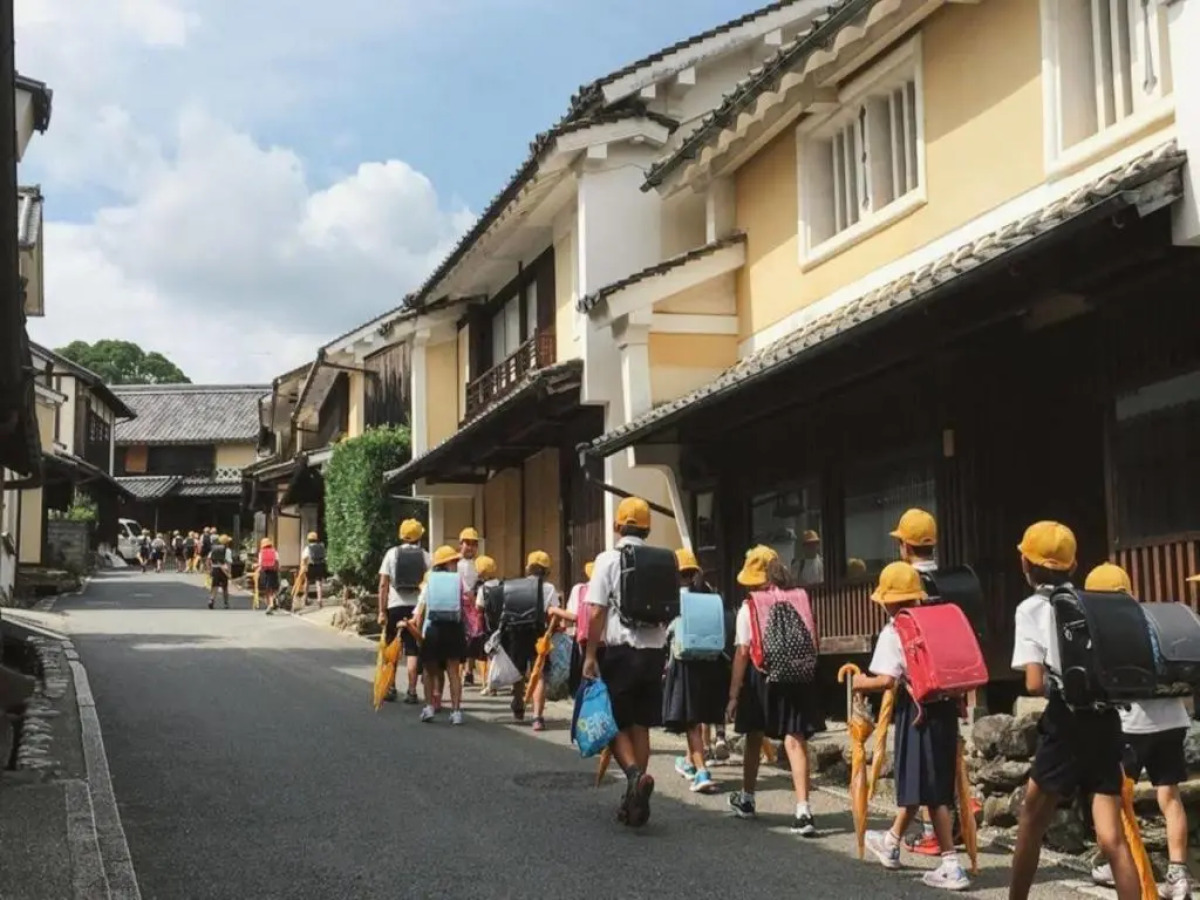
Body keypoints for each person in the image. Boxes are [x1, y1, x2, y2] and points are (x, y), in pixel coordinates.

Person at [1008, 521, 1141, 900]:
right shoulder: (1093, 603)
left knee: (1031, 822)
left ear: (1026, 565)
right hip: (1106, 720)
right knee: (1112, 837)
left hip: (1066, 723)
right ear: (1074, 565)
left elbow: (1034, 683)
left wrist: (1062, 686)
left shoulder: (1031, 609)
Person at [857, 561, 970, 891]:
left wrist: (860, 683)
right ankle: (891, 842)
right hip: (945, 709)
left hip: (916, 712)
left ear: (890, 600)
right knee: (920, 781)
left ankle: (951, 864)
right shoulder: (938, 620)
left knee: (930, 790)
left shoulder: (896, 629)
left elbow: (886, 679)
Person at [1086, 563, 1193, 899]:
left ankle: (1115, 861)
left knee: (1114, 797)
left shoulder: (1108, 624)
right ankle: (1179, 877)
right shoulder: (1153, 617)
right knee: (1170, 796)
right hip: (1174, 717)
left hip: (1134, 724)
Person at [726, 545, 824, 837]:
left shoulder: (750, 606)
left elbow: (743, 652)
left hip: (763, 676)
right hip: (798, 676)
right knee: (795, 740)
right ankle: (803, 810)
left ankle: (747, 798)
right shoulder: (799, 597)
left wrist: (733, 694)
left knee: (754, 736)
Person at [582, 497, 668, 827]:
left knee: (612, 722)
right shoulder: (664, 560)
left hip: (621, 651)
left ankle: (634, 777)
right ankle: (634, 800)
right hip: (654, 652)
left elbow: (596, 610)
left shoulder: (608, 559)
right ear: (647, 528)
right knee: (640, 724)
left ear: (617, 526)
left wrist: (590, 654)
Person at [890, 507, 943, 856]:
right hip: (948, 681)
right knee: (939, 762)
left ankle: (918, 833)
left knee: (919, 764)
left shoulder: (905, 582)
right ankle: (934, 830)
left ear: (906, 547)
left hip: (916, 686)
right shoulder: (950, 579)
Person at [664, 548, 727, 794]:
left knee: (690, 720)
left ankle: (701, 771)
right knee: (699, 715)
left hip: (684, 662)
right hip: (709, 660)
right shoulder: (708, 596)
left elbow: (667, 631)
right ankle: (689, 761)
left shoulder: (673, 600)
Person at [503, 550, 560, 731]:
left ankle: (518, 702)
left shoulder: (514, 585)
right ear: (546, 571)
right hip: (539, 633)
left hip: (516, 632)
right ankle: (537, 717)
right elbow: (553, 614)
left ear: (528, 568)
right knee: (540, 673)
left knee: (518, 671)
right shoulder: (549, 588)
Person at [413, 545, 468, 725]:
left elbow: (420, 610)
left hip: (433, 628)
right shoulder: (459, 580)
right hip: (454, 628)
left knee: (430, 671)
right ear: (447, 563)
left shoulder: (429, 580)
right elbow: (469, 603)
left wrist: (416, 631)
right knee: (454, 672)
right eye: (454, 561)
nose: (456, 564)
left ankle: (429, 707)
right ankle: (456, 712)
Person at [377, 520, 430, 704]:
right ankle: (412, 691)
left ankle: (391, 687)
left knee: (393, 649)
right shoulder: (425, 556)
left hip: (394, 605)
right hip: (416, 607)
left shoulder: (391, 554)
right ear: (419, 537)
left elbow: (383, 584)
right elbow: (429, 584)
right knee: (412, 650)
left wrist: (381, 611)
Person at [548, 560, 593, 699]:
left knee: (583, 680)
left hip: (585, 641)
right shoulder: (613, 589)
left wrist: (554, 610)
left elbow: (574, 616)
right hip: (609, 643)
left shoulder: (580, 589)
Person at [457, 527, 482, 686]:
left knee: (474, 638)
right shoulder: (456, 563)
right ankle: (459, 671)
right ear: (461, 544)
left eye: (474, 544)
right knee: (461, 638)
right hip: (460, 605)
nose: (471, 547)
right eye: (468, 543)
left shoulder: (478, 564)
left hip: (475, 606)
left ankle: (469, 671)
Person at [301, 531, 327, 608]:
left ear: (308, 540)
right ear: (316, 539)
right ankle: (319, 599)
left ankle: (305, 598)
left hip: (311, 566)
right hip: (320, 566)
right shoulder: (321, 547)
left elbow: (304, 558)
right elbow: (325, 557)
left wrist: (304, 566)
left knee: (307, 582)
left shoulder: (308, 548)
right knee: (319, 583)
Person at [208, 535, 233, 609]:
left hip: (215, 568)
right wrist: (229, 572)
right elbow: (228, 562)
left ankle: (211, 600)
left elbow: (209, 559)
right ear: (227, 542)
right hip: (223, 569)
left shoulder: (214, 548)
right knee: (225, 587)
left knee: (214, 586)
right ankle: (226, 603)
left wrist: (210, 569)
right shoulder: (227, 550)